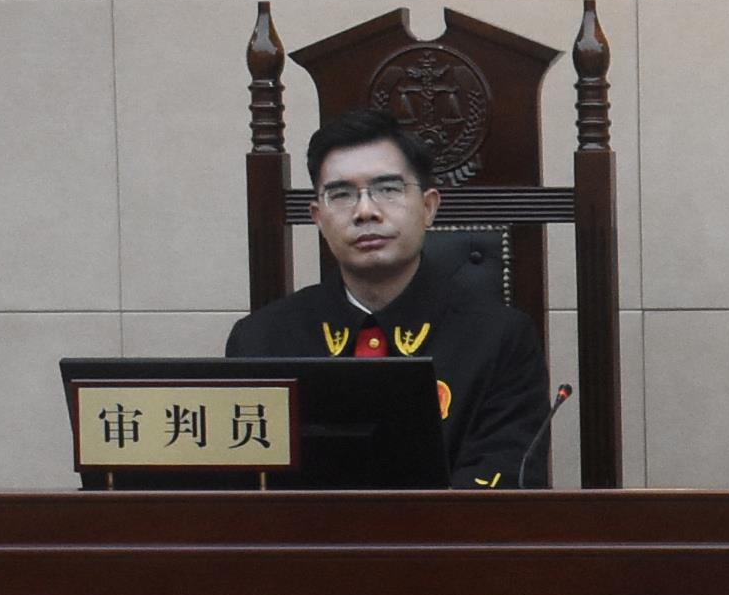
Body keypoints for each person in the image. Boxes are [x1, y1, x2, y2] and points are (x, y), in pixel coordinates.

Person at [221, 107, 555, 488]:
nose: (365, 211)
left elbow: (507, 484)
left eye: (388, 189)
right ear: (318, 218)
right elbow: (242, 492)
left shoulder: (502, 341)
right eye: (341, 195)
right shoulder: (260, 341)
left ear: (428, 207)